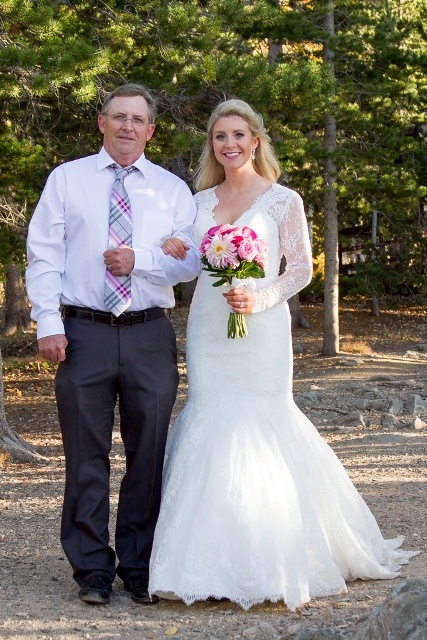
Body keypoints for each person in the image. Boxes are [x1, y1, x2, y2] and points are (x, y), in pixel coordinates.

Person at [148, 99, 418, 611]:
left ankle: (275, 555)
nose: (228, 144)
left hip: (261, 328)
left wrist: (262, 296)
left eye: (238, 135)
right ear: (213, 145)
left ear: (256, 140)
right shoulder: (198, 200)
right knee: (210, 416)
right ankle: (198, 564)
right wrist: (174, 246)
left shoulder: (282, 200)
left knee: (264, 419)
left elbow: (301, 269)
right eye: (219, 136)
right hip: (209, 325)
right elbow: (184, 248)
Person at [25, 83, 199, 606]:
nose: (127, 126)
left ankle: (140, 566)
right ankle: (93, 570)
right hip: (82, 333)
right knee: (85, 454)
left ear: (150, 129)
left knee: (148, 453)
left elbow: (188, 262)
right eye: (117, 117)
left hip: (148, 332)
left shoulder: (171, 190)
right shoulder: (67, 180)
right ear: (102, 123)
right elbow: (43, 255)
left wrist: (140, 258)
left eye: (137, 119)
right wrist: (46, 322)